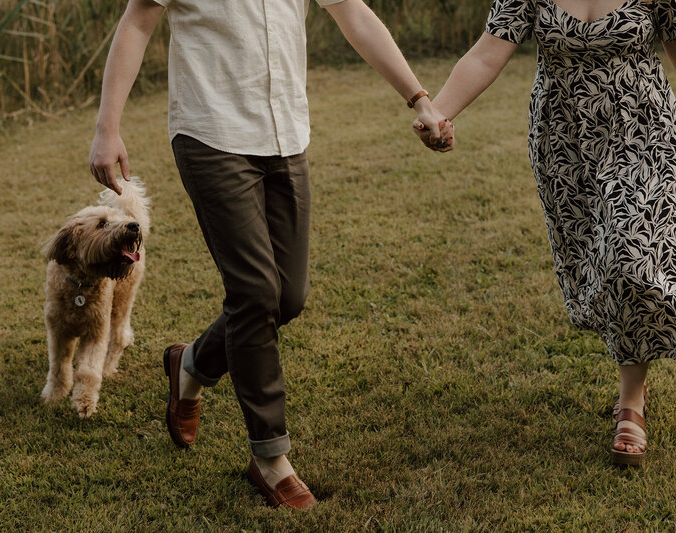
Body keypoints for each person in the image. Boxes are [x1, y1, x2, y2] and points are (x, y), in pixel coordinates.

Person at [89, 0, 453, 510]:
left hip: (286, 136)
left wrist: (419, 98)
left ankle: (191, 363)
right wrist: (108, 127)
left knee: (288, 297)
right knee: (256, 292)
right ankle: (270, 457)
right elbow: (138, 19)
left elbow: (353, 12)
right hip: (209, 134)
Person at [415, 0, 676, 466]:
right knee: (599, 263)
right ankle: (633, 377)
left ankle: (631, 401)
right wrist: (439, 112)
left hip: (643, 133)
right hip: (564, 142)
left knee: (633, 258)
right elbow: (487, 53)